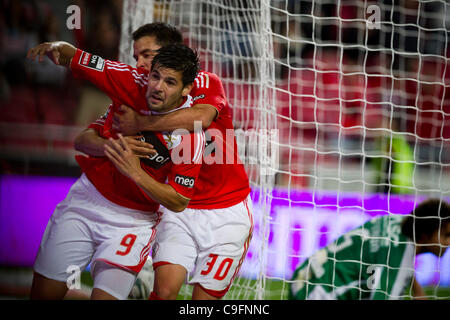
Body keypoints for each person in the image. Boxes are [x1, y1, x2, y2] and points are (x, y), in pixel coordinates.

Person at [26, 41, 205, 300]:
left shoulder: (190, 135)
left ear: (186, 88)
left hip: (133, 222)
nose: (157, 87)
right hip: (87, 202)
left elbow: (179, 200)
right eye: (155, 76)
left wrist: (135, 172)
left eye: (170, 82)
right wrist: (56, 46)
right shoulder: (130, 80)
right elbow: (77, 56)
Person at [110, 24, 253, 300]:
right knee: (163, 291)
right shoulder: (140, 93)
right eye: (137, 57)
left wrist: (142, 122)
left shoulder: (206, 82)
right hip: (178, 209)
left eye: (147, 56)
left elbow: (198, 118)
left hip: (227, 211)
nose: (140, 64)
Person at [289, 198, 450, 300]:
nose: (449, 242)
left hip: (304, 275)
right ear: (424, 235)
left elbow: (399, 258)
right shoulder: (397, 261)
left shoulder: (397, 222)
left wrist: (417, 290)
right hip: (315, 295)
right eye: (446, 235)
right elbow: (398, 263)